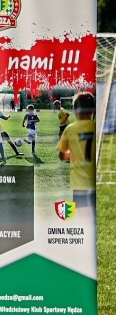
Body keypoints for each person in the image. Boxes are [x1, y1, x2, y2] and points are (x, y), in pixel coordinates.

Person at [58, 91, 98, 219]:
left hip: (79, 183)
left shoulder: (70, 129)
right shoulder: (97, 127)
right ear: (93, 110)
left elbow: (62, 156)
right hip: (95, 181)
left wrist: (72, 153)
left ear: (75, 110)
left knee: (83, 217)